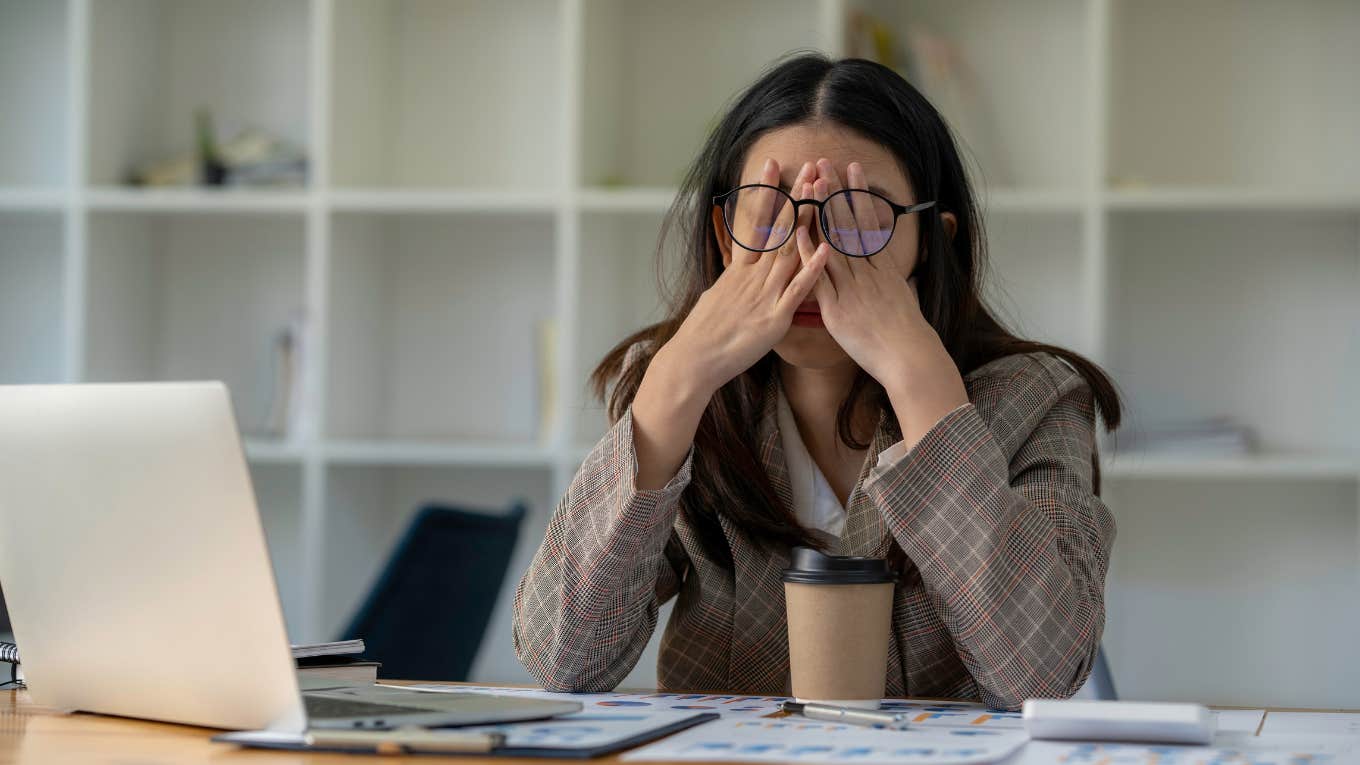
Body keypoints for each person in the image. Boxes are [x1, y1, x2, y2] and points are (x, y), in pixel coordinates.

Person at [512, 53, 1121, 712]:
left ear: (931, 242)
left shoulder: (1037, 398)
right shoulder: (677, 393)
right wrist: (676, 381)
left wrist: (923, 385)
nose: (809, 253)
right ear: (723, 236)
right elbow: (561, 660)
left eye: (858, 215)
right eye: (771, 211)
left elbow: (1041, 675)